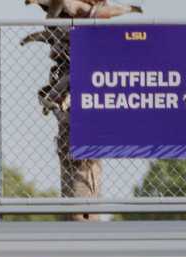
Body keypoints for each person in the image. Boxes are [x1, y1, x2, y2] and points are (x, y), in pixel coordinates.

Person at [20, 1, 136, 222]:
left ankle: (85, 215)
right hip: (69, 71)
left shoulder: (77, 8)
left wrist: (129, 9)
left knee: (83, 156)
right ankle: (80, 215)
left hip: (81, 67)